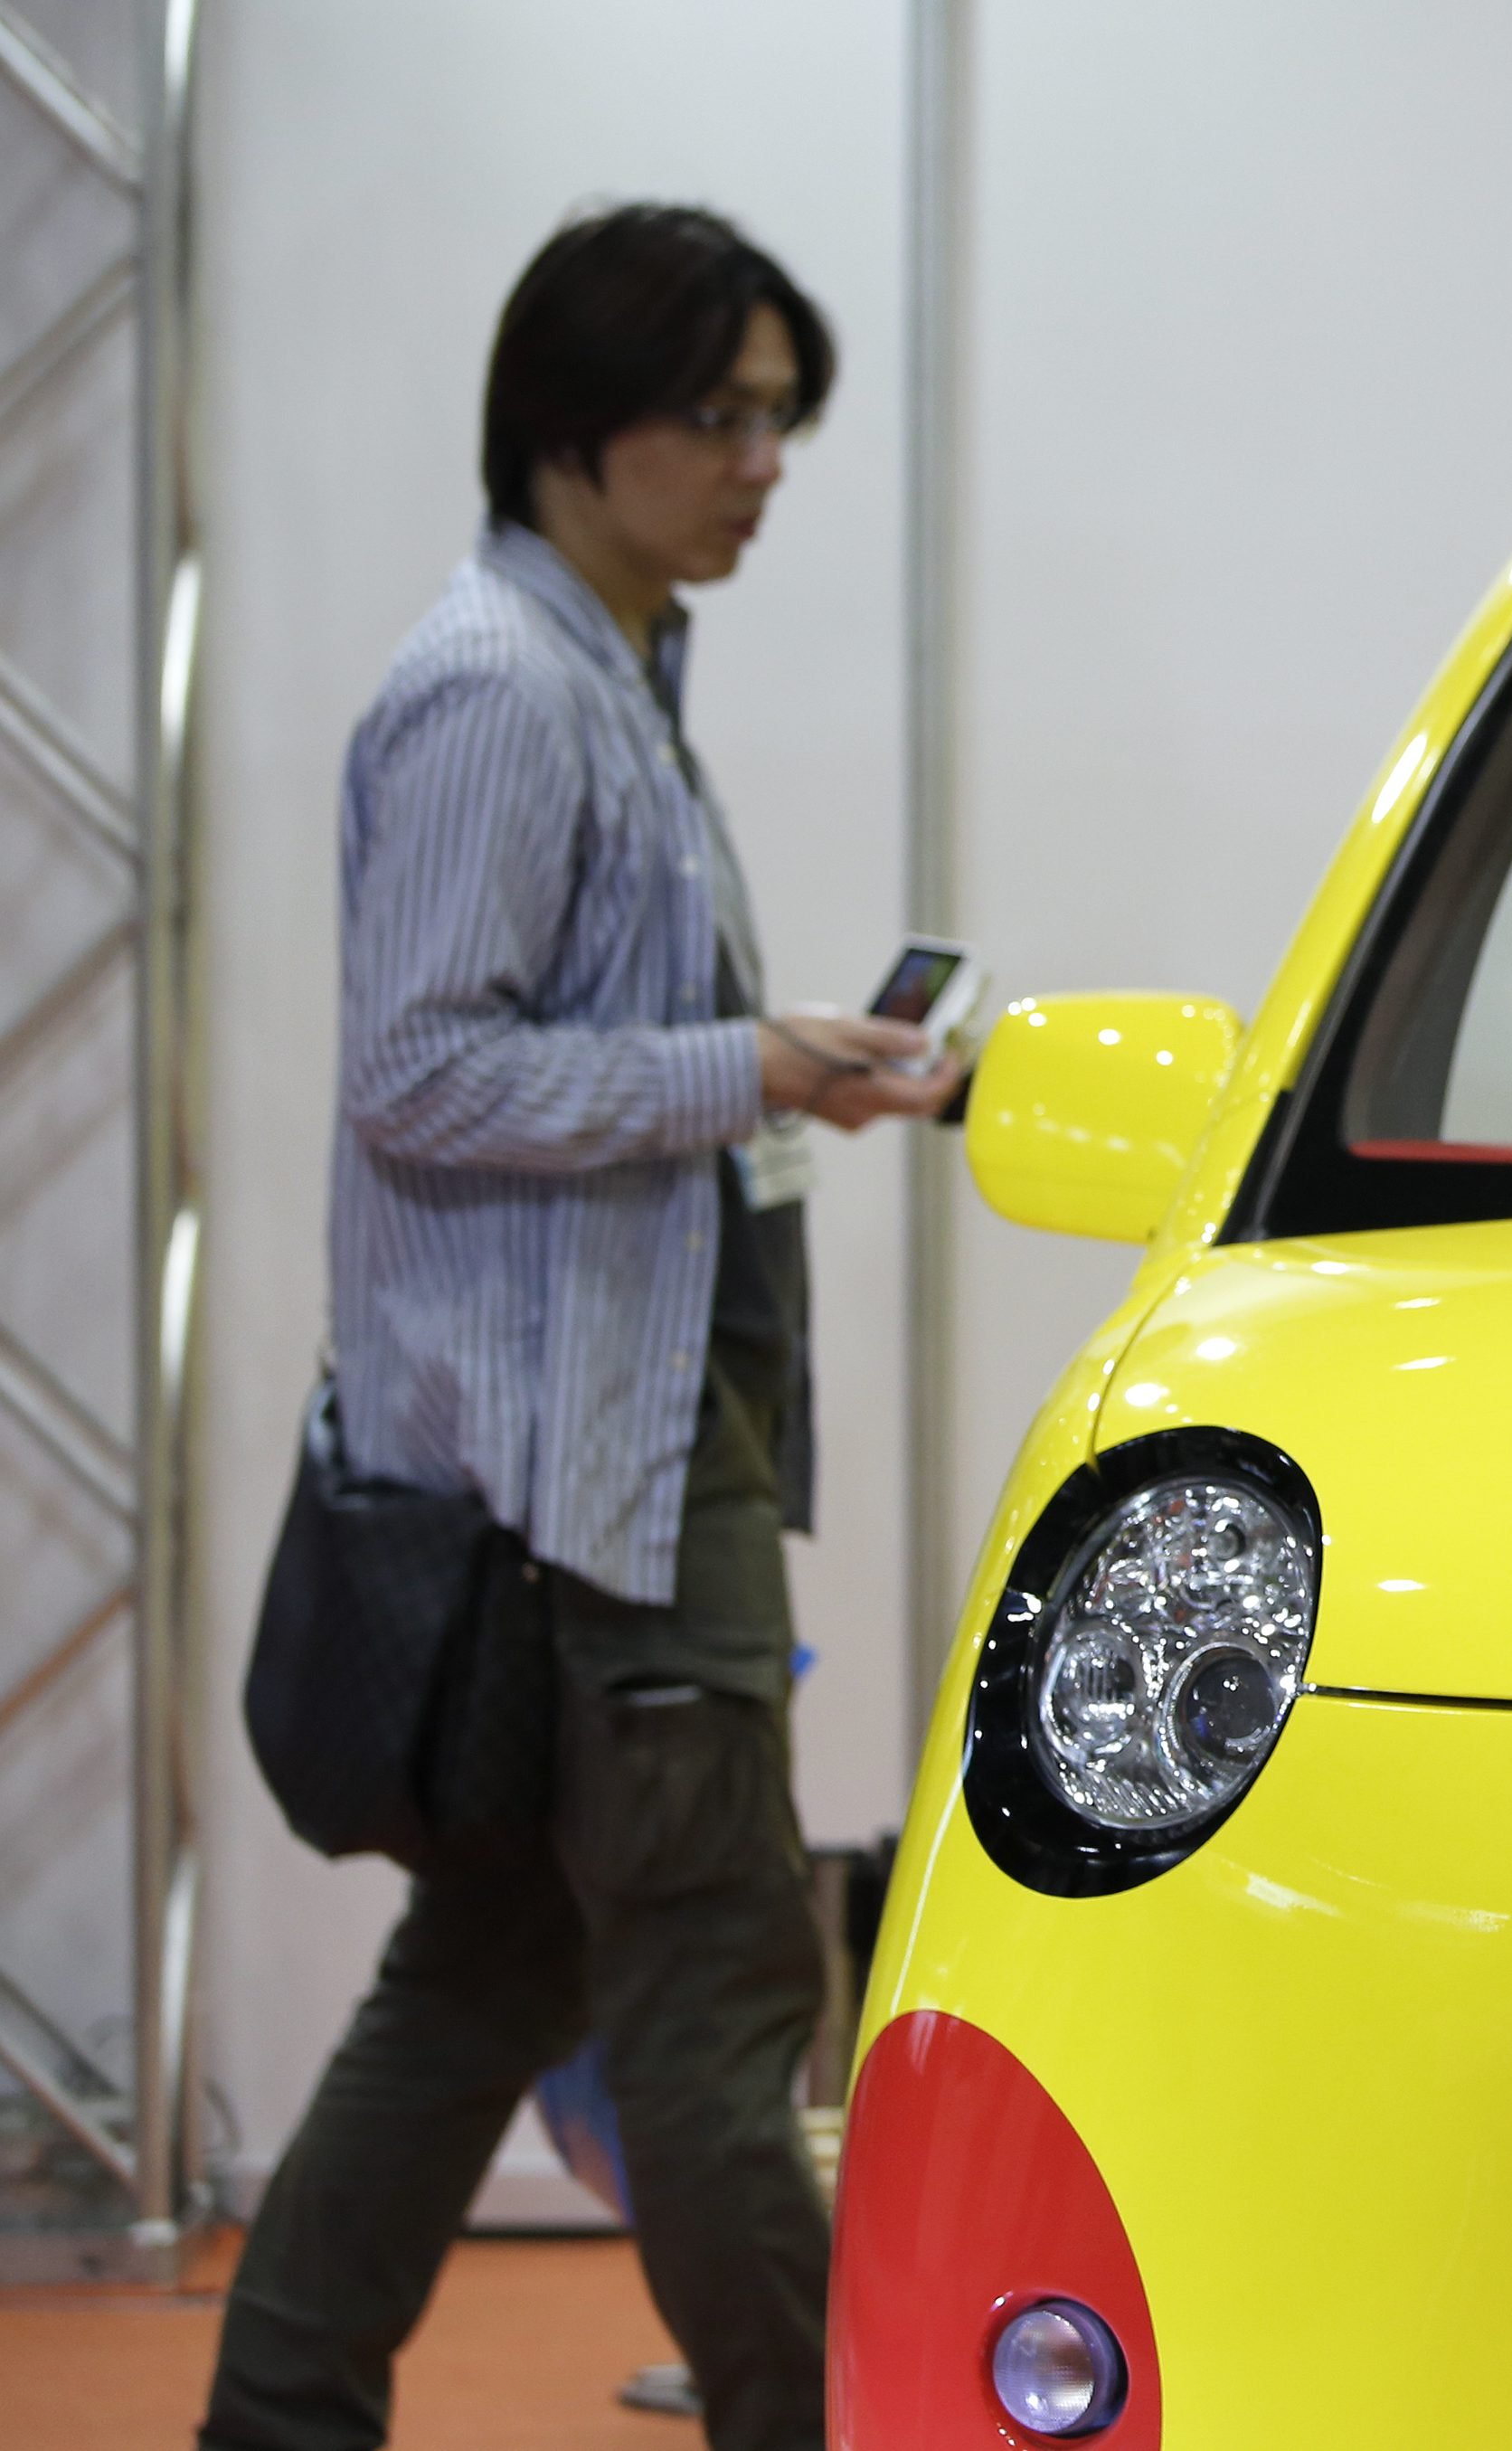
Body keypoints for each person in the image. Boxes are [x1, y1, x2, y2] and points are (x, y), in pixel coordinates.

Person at [199, 204, 954, 2451]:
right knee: (716, 1988)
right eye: (717, 415)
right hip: (587, 1485)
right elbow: (420, 1071)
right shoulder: (503, 690)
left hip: (600, 1456)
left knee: (491, 1974)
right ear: (568, 430)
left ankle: (281, 2411)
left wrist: (778, 1066)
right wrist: (748, 1064)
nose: (763, 464)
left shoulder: (603, 673)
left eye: (778, 416)